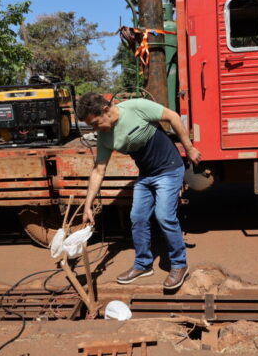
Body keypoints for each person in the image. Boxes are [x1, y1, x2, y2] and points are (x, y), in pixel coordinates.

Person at [77, 93, 201, 290]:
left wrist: (189, 148)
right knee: (138, 217)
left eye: (95, 123)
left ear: (106, 110)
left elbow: (173, 116)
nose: (94, 129)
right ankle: (143, 264)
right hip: (146, 175)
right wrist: (88, 205)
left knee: (164, 216)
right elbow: (98, 169)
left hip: (169, 168)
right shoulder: (104, 136)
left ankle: (179, 264)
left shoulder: (136, 107)